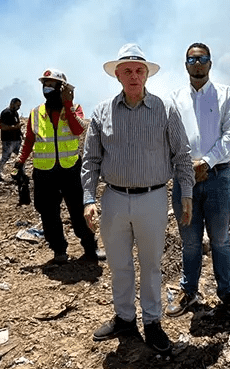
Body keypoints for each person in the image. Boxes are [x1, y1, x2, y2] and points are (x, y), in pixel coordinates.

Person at [82, 43, 194, 353]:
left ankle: (153, 322)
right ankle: (125, 318)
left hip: (152, 198)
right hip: (114, 199)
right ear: (117, 75)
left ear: (146, 75)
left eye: (139, 70)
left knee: (151, 265)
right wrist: (89, 199)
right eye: (127, 71)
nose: (134, 76)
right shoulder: (102, 112)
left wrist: (187, 192)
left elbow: (182, 154)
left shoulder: (165, 109)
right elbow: (90, 160)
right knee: (119, 264)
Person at [166, 42, 230, 317]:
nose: (197, 64)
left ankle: (226, 292)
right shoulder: (175, 99)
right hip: (185, 179)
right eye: (192, 60)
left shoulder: (225, 95)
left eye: (202, 59)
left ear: (210, 63)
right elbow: (171, 136)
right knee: (190, 240)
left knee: (220, 239)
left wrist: (207, 162)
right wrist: (187, 167)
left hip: (217, 177)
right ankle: (189, 291)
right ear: (185, 64)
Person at [15, 69, 104, 262]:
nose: (47, 88)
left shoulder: (74, 109)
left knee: (79, 210)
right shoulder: (36, 113)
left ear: (62, 88)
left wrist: (68, 104)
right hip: (44, 172)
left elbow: (78, 129)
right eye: (45, 84)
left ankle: (90, 248)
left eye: (51, 84)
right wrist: (20, 160)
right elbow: (29, 139)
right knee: (48, 213)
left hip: (70, 169)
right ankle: (59, 250)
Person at [0, 98, 22, 182]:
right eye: (17, 105)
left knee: (21, 157)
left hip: (17, 139)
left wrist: (20, 133)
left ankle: (19, 173)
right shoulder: (6, 113)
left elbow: (17, 125)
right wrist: (13, 127)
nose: (18, 107)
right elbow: (2, 126)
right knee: (5, 157)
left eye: (19, 106)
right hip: (8, 139)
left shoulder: (15, 113)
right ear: (12, 103)